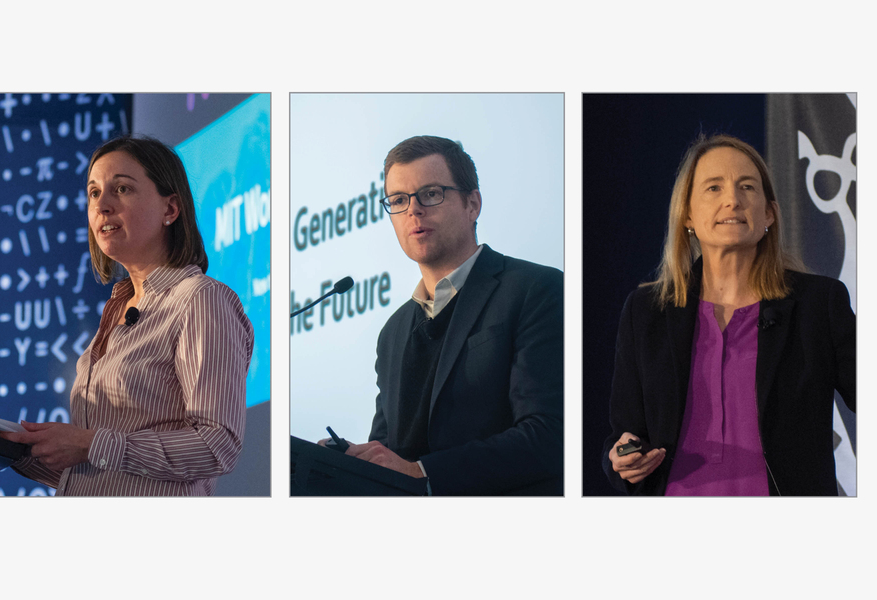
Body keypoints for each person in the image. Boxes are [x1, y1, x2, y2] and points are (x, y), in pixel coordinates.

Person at [602, 134, 855, 496]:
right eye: (714, 188)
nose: (732, 200)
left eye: (747, 187)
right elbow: (625, 434)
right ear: (687, 214)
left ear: (769, 213)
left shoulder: (818, 304)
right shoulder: (647, 312)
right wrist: (623, 460)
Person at [0, 135, 254, 496]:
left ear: (170, 209)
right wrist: (17, 450)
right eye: (93, 193)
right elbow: (109, 474)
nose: (102, 205)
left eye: (121, 189)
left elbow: (217, 446)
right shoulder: (116, 310)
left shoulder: (200, 300)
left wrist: (91, 444)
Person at [325, 135, 563, 495]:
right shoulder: (393, 333)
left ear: (473, 204)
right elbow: (387, 451)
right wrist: (351, 460)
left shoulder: (534, 289)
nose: (413, 211)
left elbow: (547, 433)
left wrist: (423, 471)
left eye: (431, 194)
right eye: (399, 200)